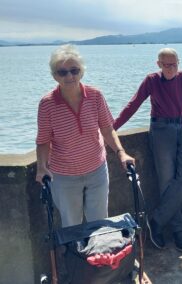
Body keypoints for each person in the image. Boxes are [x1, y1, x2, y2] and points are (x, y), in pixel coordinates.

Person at [113, 48, 182, 253]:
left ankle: (156, 220)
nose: (171, 68)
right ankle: (179, 230)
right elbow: (133, 104)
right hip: (161, 130)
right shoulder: (151, 81)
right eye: (167, 64)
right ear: (159, 64)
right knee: (167, 181)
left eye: (175, 64)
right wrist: (112, 129)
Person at [36, 44, 135, 228]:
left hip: (97, 170)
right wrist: (42, 167)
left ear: (81, 72)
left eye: (74, 70)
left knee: (99, 225)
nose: (69, 76)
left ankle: (97, 257)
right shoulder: (47, 104)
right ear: (54, 75)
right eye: (62, 72)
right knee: (72, 226)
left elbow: (107, 128)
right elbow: (43, 141)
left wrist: (121, 152)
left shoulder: (95, 95)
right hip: (64, 175)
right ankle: (76, 257)